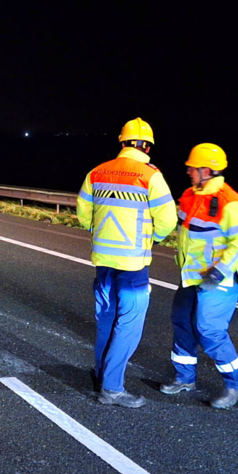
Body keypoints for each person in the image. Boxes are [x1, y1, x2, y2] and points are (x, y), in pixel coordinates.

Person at [77, 118, 177, 407]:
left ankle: (100, 374)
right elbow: (168, 220)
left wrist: (98, 233)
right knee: (128, 325)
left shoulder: (97, 172)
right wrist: (152, 238)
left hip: (103, 261)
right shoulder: (150, 176)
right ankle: (112, 388)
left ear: (122, 142)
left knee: (106, 319)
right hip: (133, 265)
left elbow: (84, 213)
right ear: (147, 145)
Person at [160, 143, 238, 409]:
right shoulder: (189, 195)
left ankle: (237, 385)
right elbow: (179, 228)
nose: (188, 170)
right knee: (182, 324)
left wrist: (220, 270)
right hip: (190, 277)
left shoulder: (229, 201)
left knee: (210, 331)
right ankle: (184, 378)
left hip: (218, 279)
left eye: (193, 167)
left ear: (207, 170)